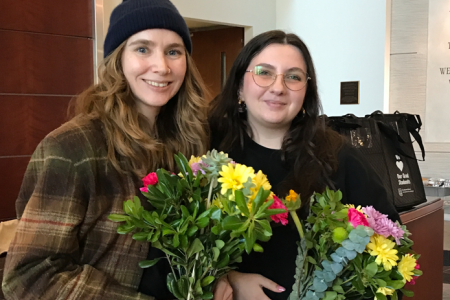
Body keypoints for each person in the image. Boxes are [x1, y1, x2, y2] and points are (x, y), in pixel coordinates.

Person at [2, 0, 213, 299]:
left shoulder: (194, 140)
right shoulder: (71, 148)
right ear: (118, 59)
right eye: (142, 49)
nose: (162, 66)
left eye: (173, 51)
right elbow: (29, 277)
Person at [208, 30, 401, 300]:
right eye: (264, 72)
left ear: (306, 93)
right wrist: (227, 278)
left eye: (293, 77)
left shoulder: (339, 158)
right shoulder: (207, 154)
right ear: (240, 85)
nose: (278, 87)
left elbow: (392, 258)